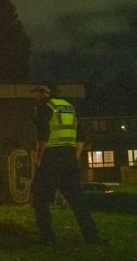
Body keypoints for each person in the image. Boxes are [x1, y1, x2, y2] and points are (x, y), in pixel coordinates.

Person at [30, 82, 107, 246]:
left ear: (46, 92)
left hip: (51, 157)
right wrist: (75, 157)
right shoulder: (70, 108)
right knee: (78, 201)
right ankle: (92, 237)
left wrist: (38, 159)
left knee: (40, 198)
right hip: (69, 158)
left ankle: (47, 238)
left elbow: (43, 137)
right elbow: (81, 138)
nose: (37, 96)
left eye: (39, 93)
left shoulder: (45, 108)